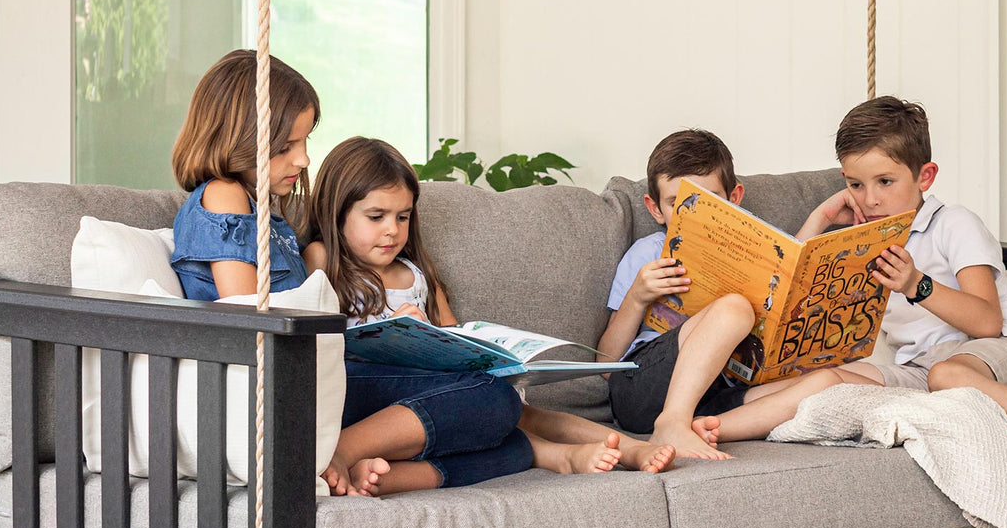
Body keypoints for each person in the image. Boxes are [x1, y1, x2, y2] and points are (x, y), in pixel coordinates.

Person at [705, 96, 1007, 528]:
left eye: (885, 181)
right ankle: (711, 427)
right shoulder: (863, 239)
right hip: (921, 371)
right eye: (856, 185)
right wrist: (820, 220)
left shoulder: (953, 224)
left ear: (925, 176)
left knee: (947, 374)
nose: (870, 199)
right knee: (825, 380)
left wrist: (917, 284)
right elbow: (782, 293)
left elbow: (987, 321)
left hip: (995, 358)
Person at [169, 50, 530, 497]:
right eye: (285, 147)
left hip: (319, 375)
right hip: (290, 384)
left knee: (515, 447)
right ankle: (337, 451)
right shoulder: (225, 194)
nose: (303, 160)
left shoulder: (265, 213)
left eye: (305, 142)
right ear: (238, 138)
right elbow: (247, 320)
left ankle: (373, 471)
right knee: (493, 397)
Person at [302, 135, 676, 495]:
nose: (392, 230)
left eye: (403, 217)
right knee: (497, 402)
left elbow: (455, 337)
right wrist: (391, 333)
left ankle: (383, 476)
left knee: (509, 434)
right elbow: (318, 348)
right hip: (375, 400)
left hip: (437, 397)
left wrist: (432, 337)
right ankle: (348, 451)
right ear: (337, 213)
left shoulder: (417, 272)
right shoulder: (323, 260)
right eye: (376, 216)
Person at [599, 129, 761, 460]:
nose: (696, 214)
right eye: (678, 203)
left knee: (829, 381)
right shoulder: (649, 253)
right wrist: (637, 297)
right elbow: (605, 365)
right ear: (655, 208)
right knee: (734, 308)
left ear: (734, 197)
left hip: (715, 394)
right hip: (641, 388)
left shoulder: (754, 252)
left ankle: (703, 428)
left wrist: (819, 220)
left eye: (709, 200)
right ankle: (671, 423)